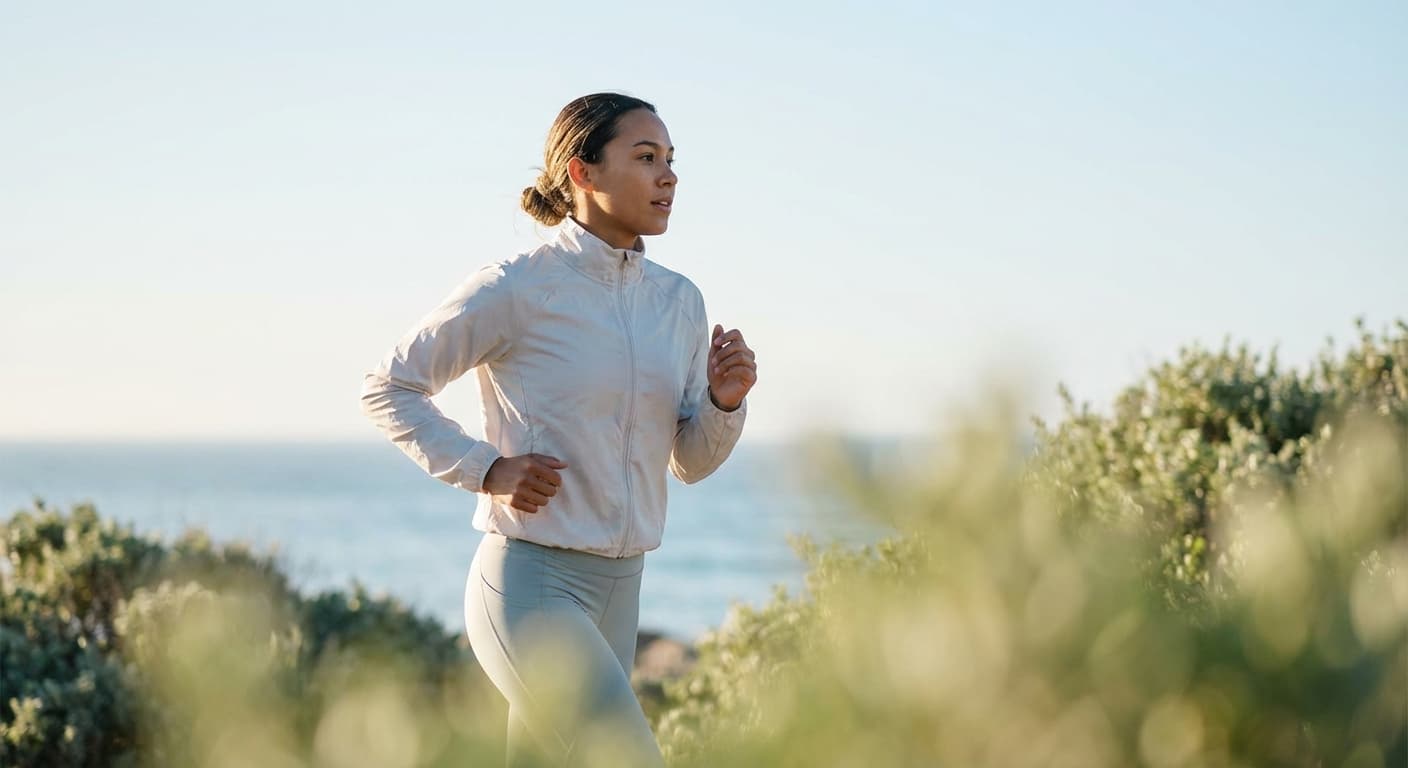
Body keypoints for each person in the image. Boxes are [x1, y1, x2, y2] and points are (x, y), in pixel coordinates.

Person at [359, 92, 758, 767]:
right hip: (530, 586)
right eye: (645, 157)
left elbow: (687, 462)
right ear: (583, 173)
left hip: (621, 592)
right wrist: (485, 467)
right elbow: (390, 387)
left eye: (670, 160)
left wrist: (724, 404)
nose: (668, 176)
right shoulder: (519, 286)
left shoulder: (679, 302)